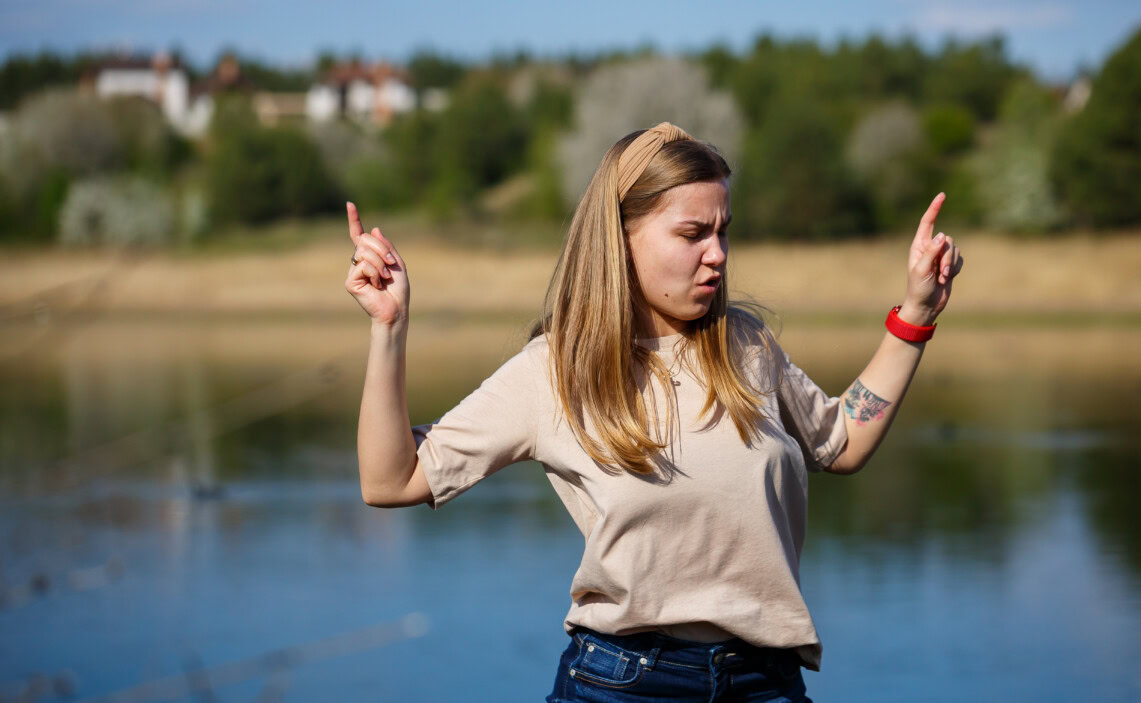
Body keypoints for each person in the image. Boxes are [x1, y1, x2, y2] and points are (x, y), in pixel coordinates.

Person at [344, 122, 963, 702]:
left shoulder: (744, 344)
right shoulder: (554, 370)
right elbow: (391, 480)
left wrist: (917, 315)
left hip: (765, 681)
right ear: (621, 239)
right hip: (622, 683)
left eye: (723, 231)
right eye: (693, 234)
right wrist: (390, 327)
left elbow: (841, 443)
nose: (717, 254)